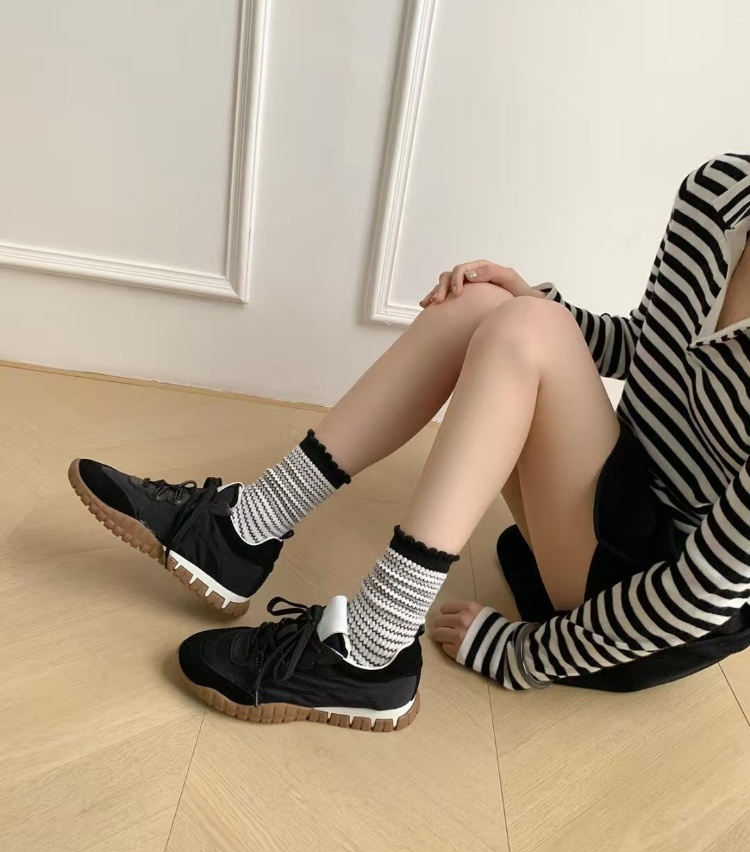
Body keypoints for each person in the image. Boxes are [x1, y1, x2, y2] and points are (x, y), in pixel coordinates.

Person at [68, 153, 750, 732]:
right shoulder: (719, 191)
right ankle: (244, 529)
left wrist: (523, 653)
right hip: (617, 490)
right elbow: (655, 344)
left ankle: (373, 650)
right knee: (487, 305)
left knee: (525, 329)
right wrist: (538, 305)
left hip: (651, 606)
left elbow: (699, 595)